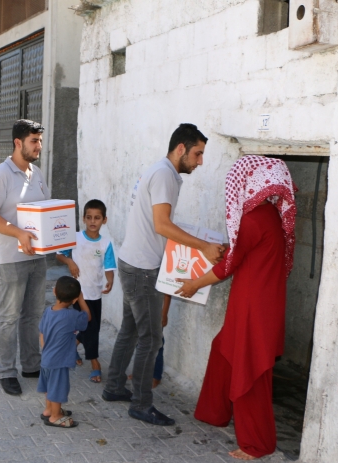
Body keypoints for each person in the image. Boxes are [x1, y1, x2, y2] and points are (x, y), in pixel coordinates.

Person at [102, 123, 225, 426]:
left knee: (131, 330)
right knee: (151, 338)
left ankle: (114, 386)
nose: (200, 161)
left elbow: (158, 223)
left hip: (133, 262)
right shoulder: (164, 175)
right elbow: (162, 225)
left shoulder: (161, 172)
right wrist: (204, 247)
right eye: (197, 154)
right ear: (181, 148)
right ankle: (141, 405)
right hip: (142, 269)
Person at [175, 155, 296, 460]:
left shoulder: (253, 219)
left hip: (254, 307)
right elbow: (241, 254)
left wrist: (194, 284)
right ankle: (214, 413)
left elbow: (228, 265)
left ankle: (257, 444)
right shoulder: (268, 214)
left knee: (249, 369)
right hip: (257, 302)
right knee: (223, 348)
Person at [0, 119, 51, 396]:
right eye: (34, 141)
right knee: (9, 317)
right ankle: (7, 372)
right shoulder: (0, 175)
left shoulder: (37, 173)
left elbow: (45, 211)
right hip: (8, 259)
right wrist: (19, 233)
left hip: (36, 257)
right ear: (18, 142)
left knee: (33, 315)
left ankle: (31, 365)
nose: (39, 146)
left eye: (40, 141)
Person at [55, 199, 116, 383]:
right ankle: (95, 364)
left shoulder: (105, 243)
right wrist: (70, 262)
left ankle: (72, 345)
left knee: (90, 327)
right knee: (91, 330)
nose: (92, 221)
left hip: (95, 293)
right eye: (89, 217)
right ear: (83, 219)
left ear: (104, 220)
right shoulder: (75, 238)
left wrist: (110, 280)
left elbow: (109, 266)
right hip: (78, 294)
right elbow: (59, 254)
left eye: (97, 218)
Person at [37, 276, 90, 428]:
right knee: (58, 388)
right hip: (59, 361)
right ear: (74, 299)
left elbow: (41, 333)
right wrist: (82, 300)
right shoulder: (72, 316)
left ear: (54, 291)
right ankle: (55, 416)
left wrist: (46, 351)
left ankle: (49, 410)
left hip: (46, 358)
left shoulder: (48, 311)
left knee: (49, 386)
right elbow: (87, 317)